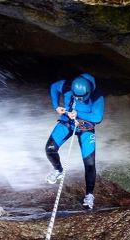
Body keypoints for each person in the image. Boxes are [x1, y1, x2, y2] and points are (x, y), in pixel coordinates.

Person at [45, 73, 104, 209]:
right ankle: (58, 170)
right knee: (50, 149)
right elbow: (54, 87)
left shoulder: (96, 96)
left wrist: (78, 114)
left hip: (85, 128)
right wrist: (56, 106)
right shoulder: (67, 85)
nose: (80, 100)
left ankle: (89, 195)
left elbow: (97, 117)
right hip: (68, 121)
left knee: (89, 164)